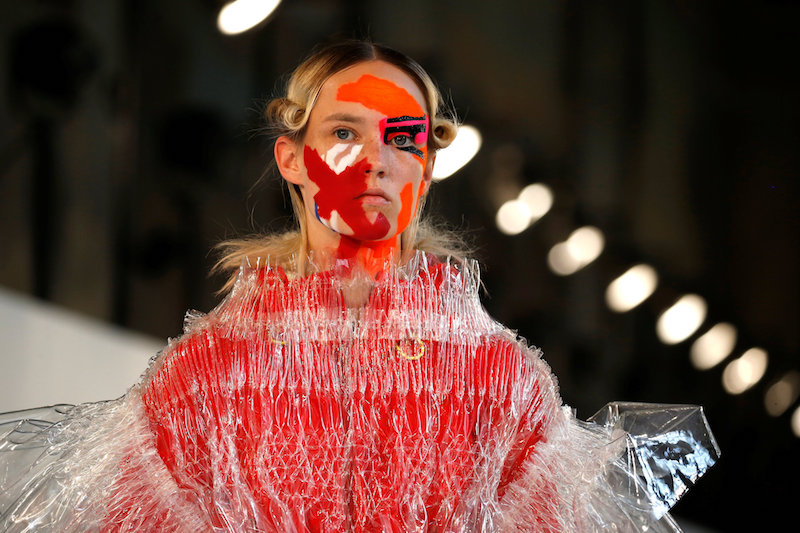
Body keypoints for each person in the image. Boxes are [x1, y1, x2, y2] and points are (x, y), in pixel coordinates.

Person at [0, 40, 717, 532]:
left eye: (403, 138)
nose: (375, 159)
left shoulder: (502, 382)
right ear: (293, 157)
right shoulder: (204, 374)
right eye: (345, 131)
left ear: (426, 169)